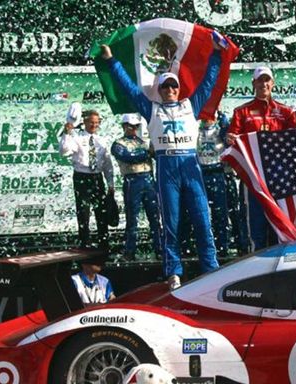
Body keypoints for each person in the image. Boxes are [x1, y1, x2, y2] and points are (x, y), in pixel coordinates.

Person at [100, 35, 224, 290]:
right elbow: (129, 88)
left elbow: (209, 82)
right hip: (167, 168)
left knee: (203, 218)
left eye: (173, 87)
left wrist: (216, 54)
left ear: (179, 89)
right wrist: (112, 61)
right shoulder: (151, 108)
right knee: (171, 223)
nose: (169, 90)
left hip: (190, 164)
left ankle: (210, 268)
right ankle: (173, 272)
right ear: (160, 89)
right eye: (165, 87)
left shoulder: (192, 105)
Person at [226, 66, 296, 250]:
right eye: (260, 80)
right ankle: (254, 268)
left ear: (273, 83)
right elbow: (232, 138)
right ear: (253, 84)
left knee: (278, 224)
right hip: (253, 179)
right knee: (255, 226)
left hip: (277, 179)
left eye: (267, 80)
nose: (263, 84)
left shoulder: (286, 112)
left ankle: (277, 268)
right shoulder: (242, 112)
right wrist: (231, 139)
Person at [111, 113, 163, 261]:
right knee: (132, 218)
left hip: (148, 180)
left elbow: (156, 155)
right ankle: (129, 251)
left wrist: (151, 149)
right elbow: (127, 157)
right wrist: (146, 153)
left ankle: (159, 249)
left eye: (135, 126)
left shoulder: (144, 141)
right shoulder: (118, 143)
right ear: (124, 126)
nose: (133, 129)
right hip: (132, 181)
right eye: (130, 126)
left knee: (154, 217)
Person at [59, 110, 114, 250]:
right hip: (81, 177)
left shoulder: (102, 140)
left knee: (101, 211)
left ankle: (104, 243)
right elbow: (64, 151)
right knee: (83, 211)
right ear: (84, 123)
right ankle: (85, 243)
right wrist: (66, 133)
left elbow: (107, 164)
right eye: (91, 122)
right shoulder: (76, 138)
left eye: (97, 123)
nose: (94, 125)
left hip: (97, 177)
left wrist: (110, 183)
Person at [197, 110, 232, 257]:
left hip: (217, 173)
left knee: (220, 212)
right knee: (201, 212)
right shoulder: (195, 131)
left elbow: (229, 136)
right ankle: (204, 246)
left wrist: (223, 120)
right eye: (205, 117)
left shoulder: (220, 131)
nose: (207, 119)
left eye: (210, 116)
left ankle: (222, 244)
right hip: (200, 173)